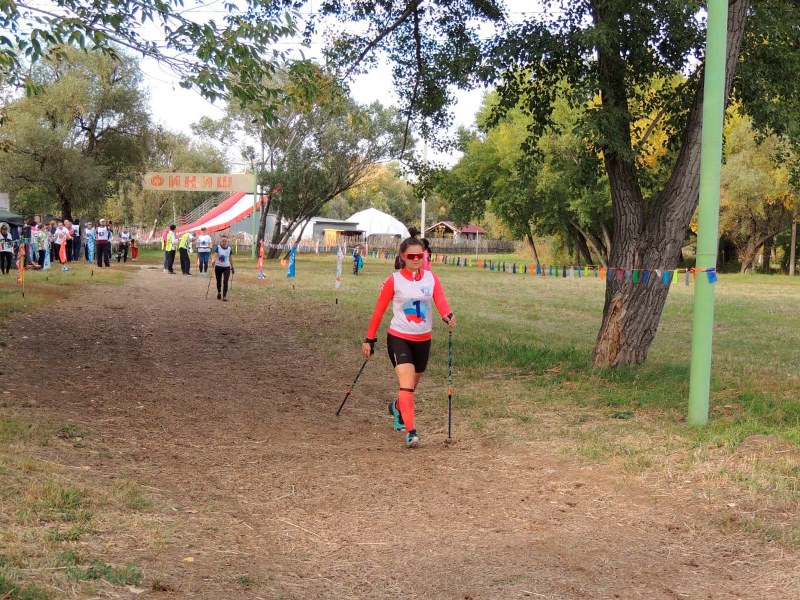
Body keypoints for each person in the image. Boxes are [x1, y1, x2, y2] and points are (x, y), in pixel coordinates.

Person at [362, 235, 457, 448]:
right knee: (406, 384)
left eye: (420, 255)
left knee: (411, 387)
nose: (416, 259)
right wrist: (369, 338)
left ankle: (397, 407)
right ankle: (411, 431)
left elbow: (440, 300)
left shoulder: (431, 278)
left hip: (423, 339)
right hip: (399, 337)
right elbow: (379, 311)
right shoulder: (394, 280)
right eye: (411, 256)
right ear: (403, 257)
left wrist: (448, 316)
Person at [210, 236, 234, 301]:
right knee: (219, 281)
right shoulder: (218, 247)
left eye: (225, 241)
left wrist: (232, 266)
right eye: (223, 241)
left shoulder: (229, 249)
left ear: (227, 242)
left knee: (225, 281)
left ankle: (224, 296)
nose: (224, 242)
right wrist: (213, 261)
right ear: (221, 241)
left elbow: (230, 258)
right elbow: (215, 255)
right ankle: (219, 292)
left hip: (226, 267)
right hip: (218, 267)